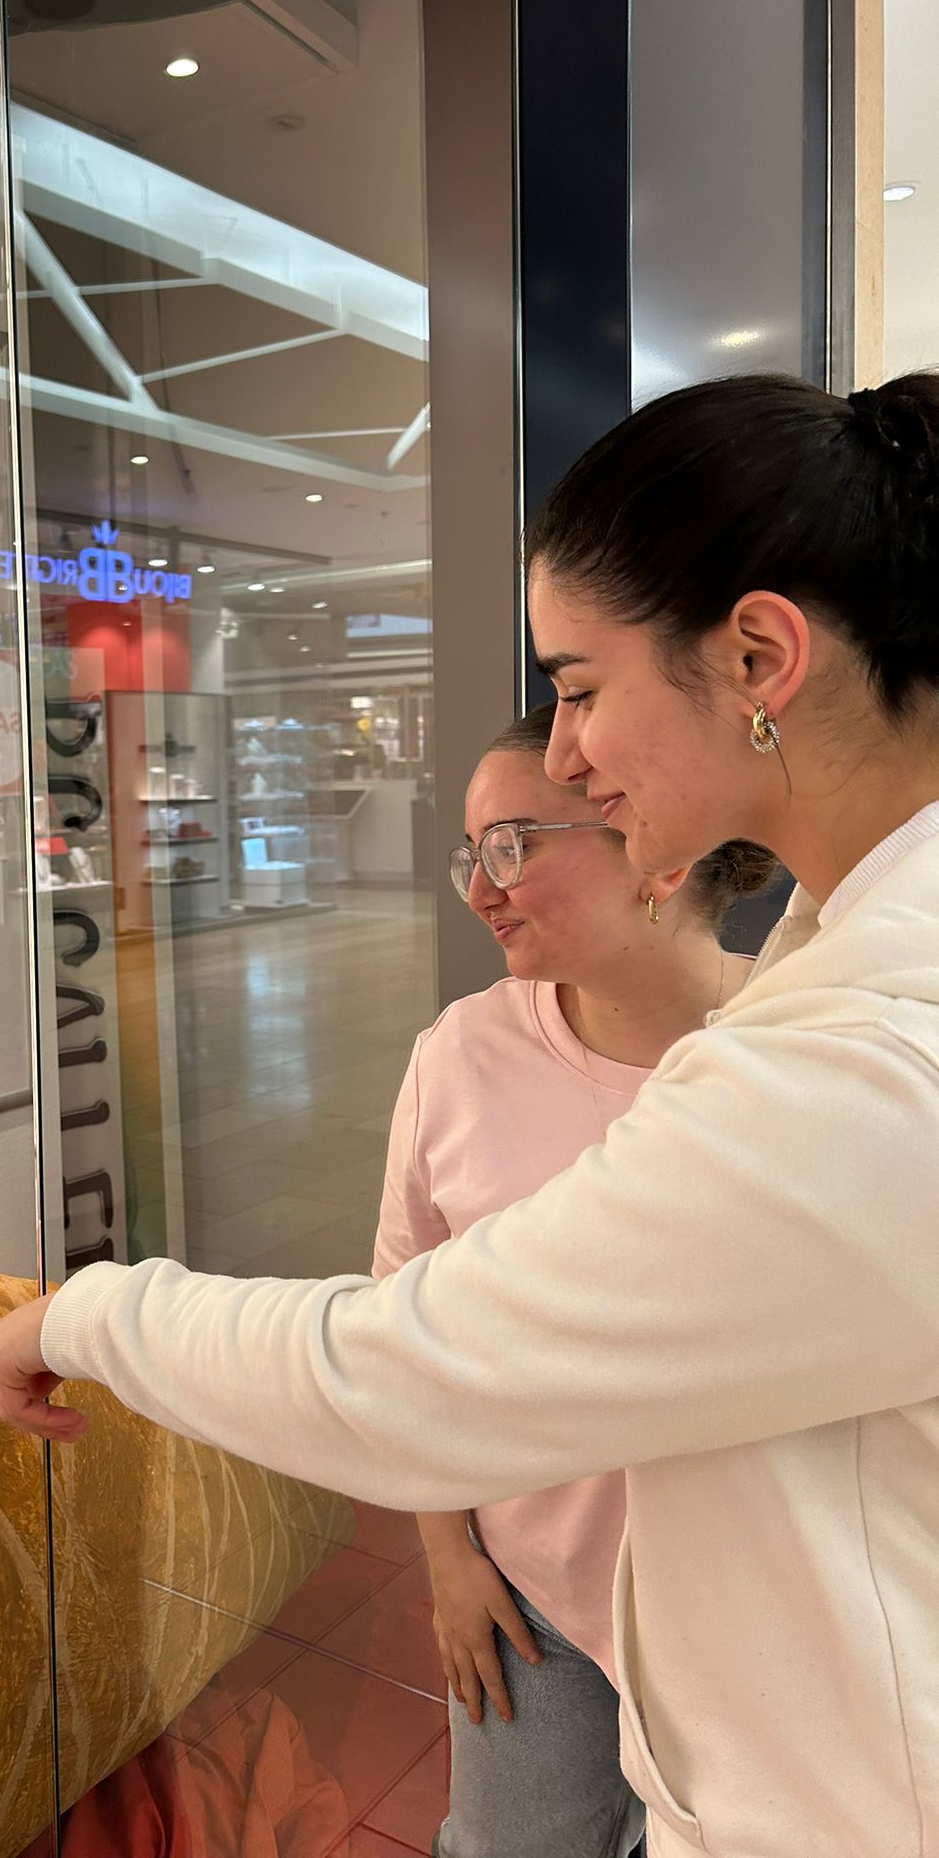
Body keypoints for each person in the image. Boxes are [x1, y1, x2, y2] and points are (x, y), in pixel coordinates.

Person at [0, 371, 939, 1858]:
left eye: (582, 688)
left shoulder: (863, 1062)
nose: (566, 751)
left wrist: (90, 1315)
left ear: (759, 656)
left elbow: (406, 1371)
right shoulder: (826, 960)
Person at [376, 703, 771, 1858]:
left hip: (751, 1610)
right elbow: (401, 1328)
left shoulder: (795, 1052)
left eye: (512, 846)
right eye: (471, 853)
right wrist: (449, 1554)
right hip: (530, 1598)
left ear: (657, 848)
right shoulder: (461, 1053)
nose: (479, 888)